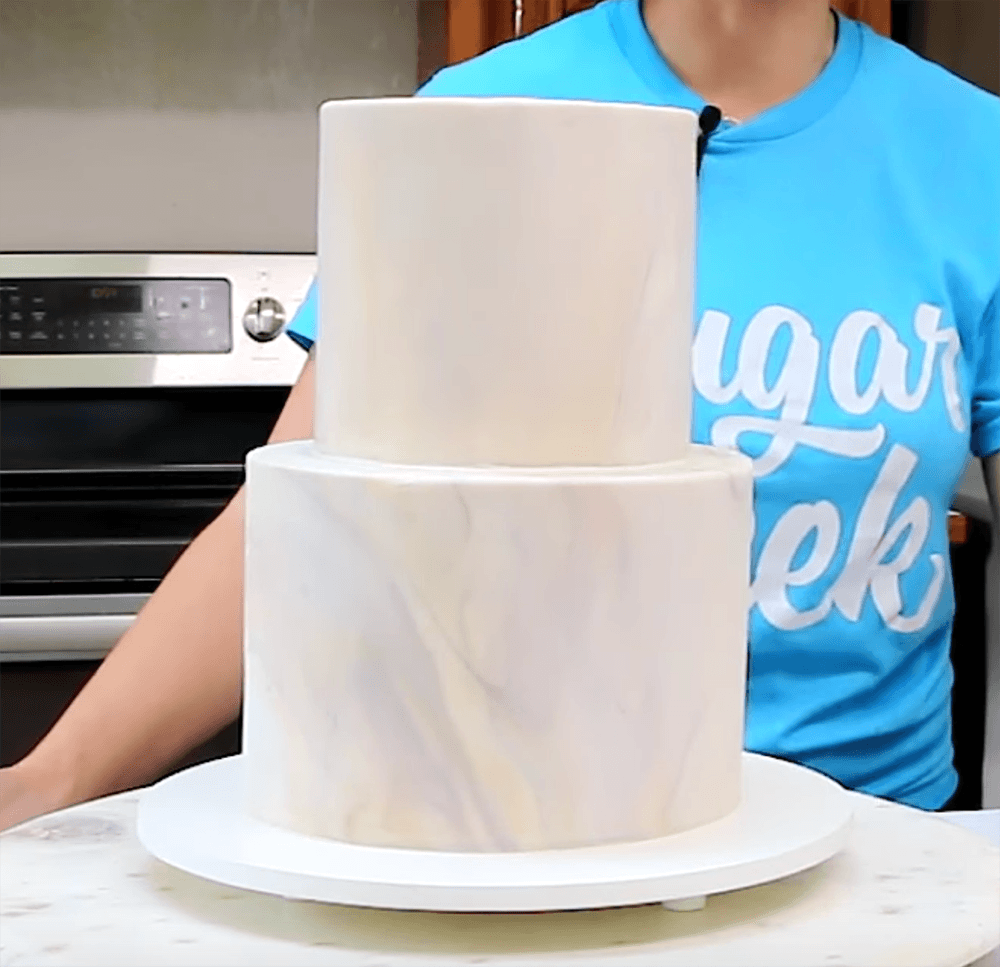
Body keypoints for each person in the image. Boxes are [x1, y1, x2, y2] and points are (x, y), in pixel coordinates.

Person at [2, 0, 998, 831]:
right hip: (527, 841)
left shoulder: (972, 154)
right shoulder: (475, 117)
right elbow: (303, 526)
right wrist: (50, 784)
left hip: (873, 849)